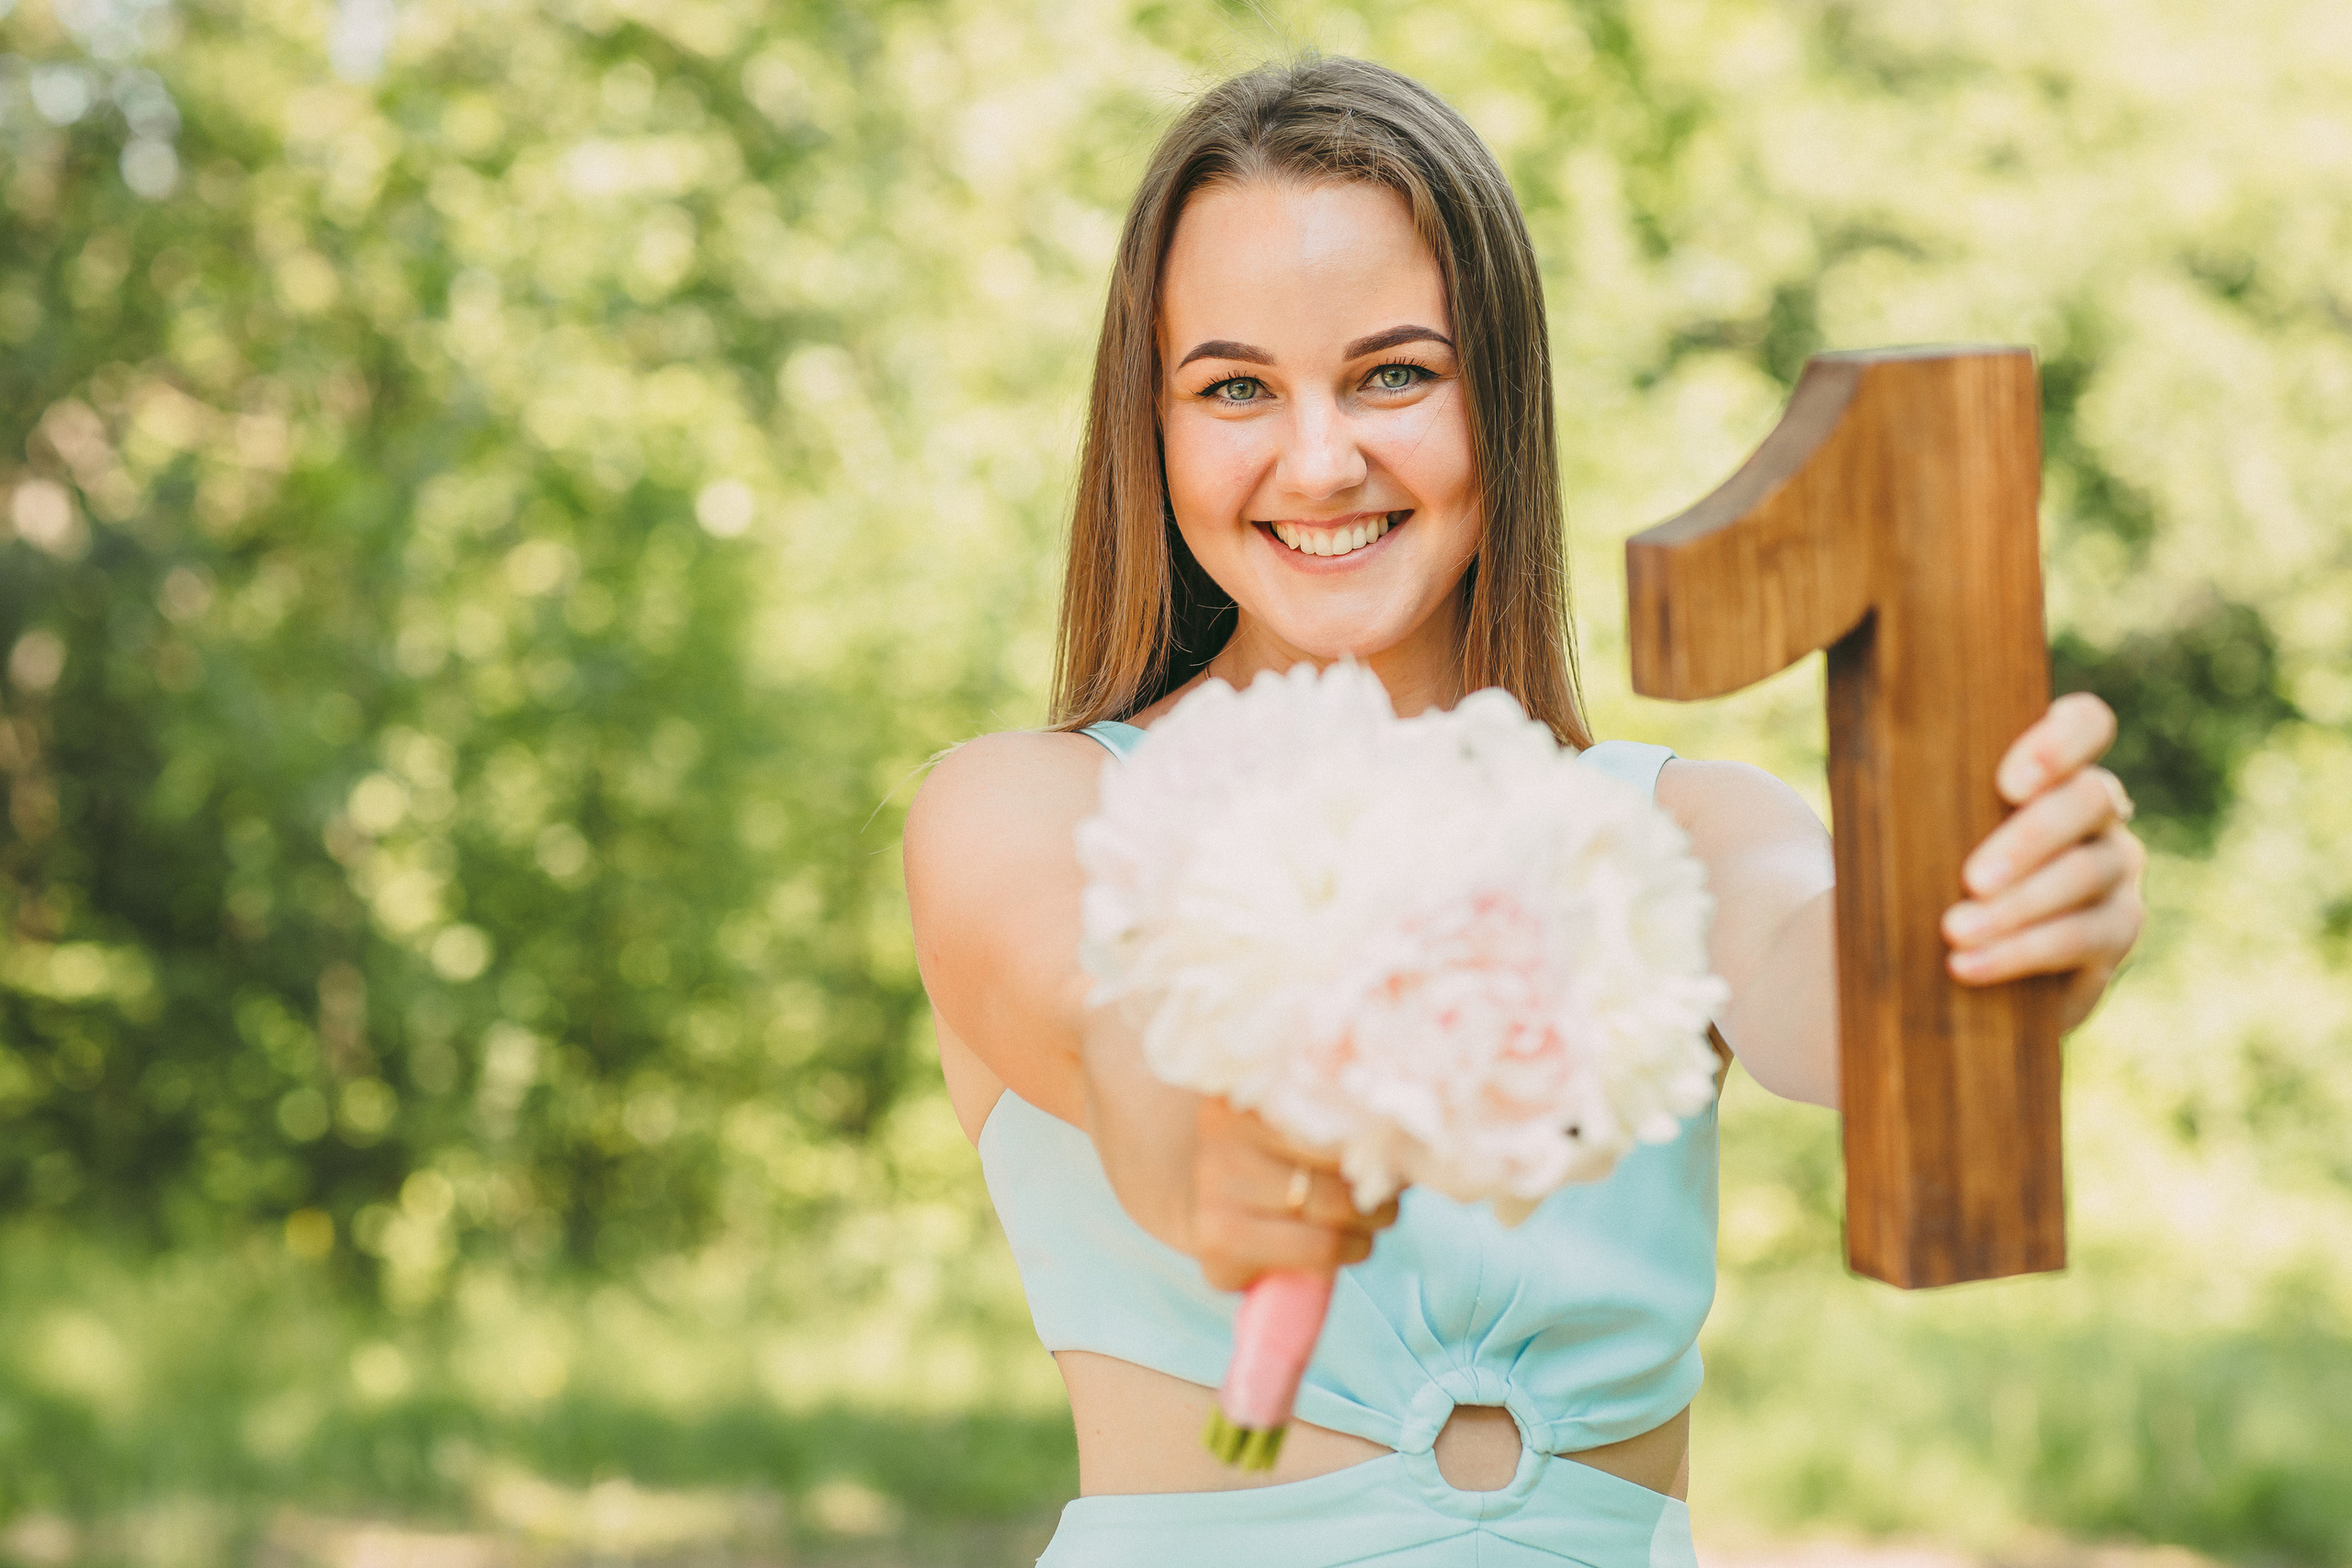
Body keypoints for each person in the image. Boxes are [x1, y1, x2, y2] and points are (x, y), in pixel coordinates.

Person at [902, 54, 2144, 1567]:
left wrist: (2010, 921)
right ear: (1152, 434)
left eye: (1394, 374)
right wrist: (1200, 1149)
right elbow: (1101, 1023)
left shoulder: (1676, 831)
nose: (1320, 457)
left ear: (1503, 393)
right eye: (1234, 387)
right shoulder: (1028, 809)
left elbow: (1848, 1000)